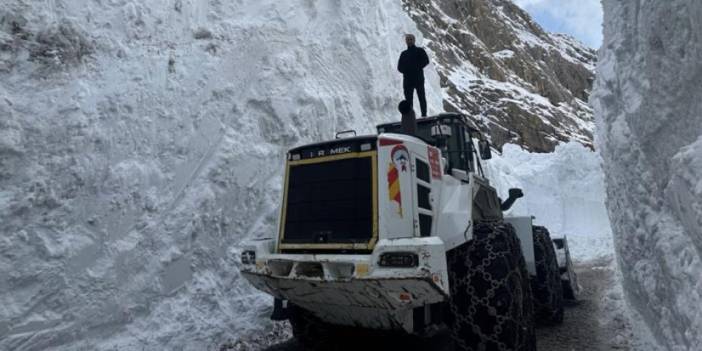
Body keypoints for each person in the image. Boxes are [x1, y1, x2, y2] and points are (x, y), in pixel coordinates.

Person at [397, 34, 430, 117]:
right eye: (408, 39)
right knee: (408, 100)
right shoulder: (403, 54)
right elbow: (399, 67)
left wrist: (416, 67)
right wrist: (407, 70)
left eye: (411, 39)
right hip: (408, 80)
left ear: (414, 40)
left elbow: (426, 61)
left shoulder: (420, 51)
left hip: (418, 79)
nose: (409, 41)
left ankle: (424, 115)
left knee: (421, 98)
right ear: (406, 41)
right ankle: (410, 116)